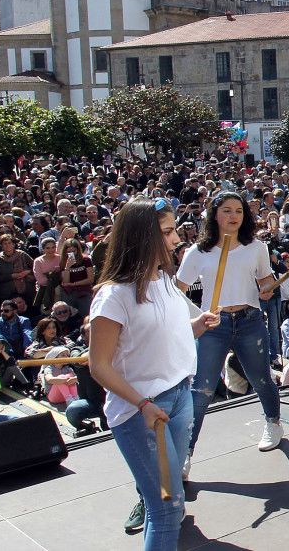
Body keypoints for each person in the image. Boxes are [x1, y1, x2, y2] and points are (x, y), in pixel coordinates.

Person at [87, 198, 219, 550]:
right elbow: (98, 365)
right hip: (142, 414)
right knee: (166, 508)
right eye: (168, 231)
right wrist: (143, 403)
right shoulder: (113, 297)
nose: (177, 238)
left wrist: (196, 326)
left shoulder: (163, 282)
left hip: (178, 399)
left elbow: (163, 335)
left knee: (168, 506)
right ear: (143, 238)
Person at [176, 191, 284, 476]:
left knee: (261, 378)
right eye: (226, 210)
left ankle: (273, 422)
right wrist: (195, 318)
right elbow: (178, 292)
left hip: (249, 319)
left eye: (238, 210)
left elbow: (266, 280)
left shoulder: (256, 247)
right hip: (213, 324)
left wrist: (269, 288)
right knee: (202, 390)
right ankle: (185, 453)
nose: (233, 216)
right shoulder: (197, 252)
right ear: (214, 215)